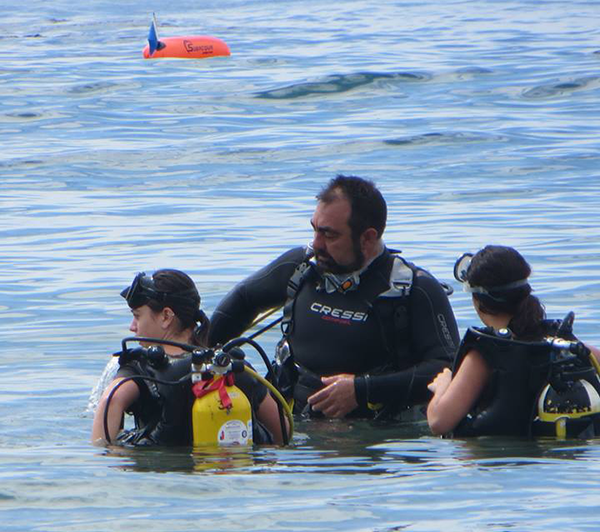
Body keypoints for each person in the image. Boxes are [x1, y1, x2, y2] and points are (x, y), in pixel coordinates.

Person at [209, 175, 460, 420]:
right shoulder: (302, 268)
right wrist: (204, 357)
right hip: (292, 427)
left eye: (329, 235)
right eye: (315, 230)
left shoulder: (413, 289)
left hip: (374, 438)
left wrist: (362, 390)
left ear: (367, 238)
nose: (316, 244)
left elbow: (447, 368)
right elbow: (243, 299)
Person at [91, 269, 287, 446]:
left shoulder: (142, 370)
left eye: (137, 316)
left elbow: (112, 399)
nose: (132, 327)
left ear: (166, 316)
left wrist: (108, 455)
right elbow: (283, 435)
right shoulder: (231, 367)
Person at [427, 245, 600, 438]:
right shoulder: (565, 345)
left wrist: (443, 385)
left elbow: (439, 422)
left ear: (477, 301)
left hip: (508, 458)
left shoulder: (484, 355)